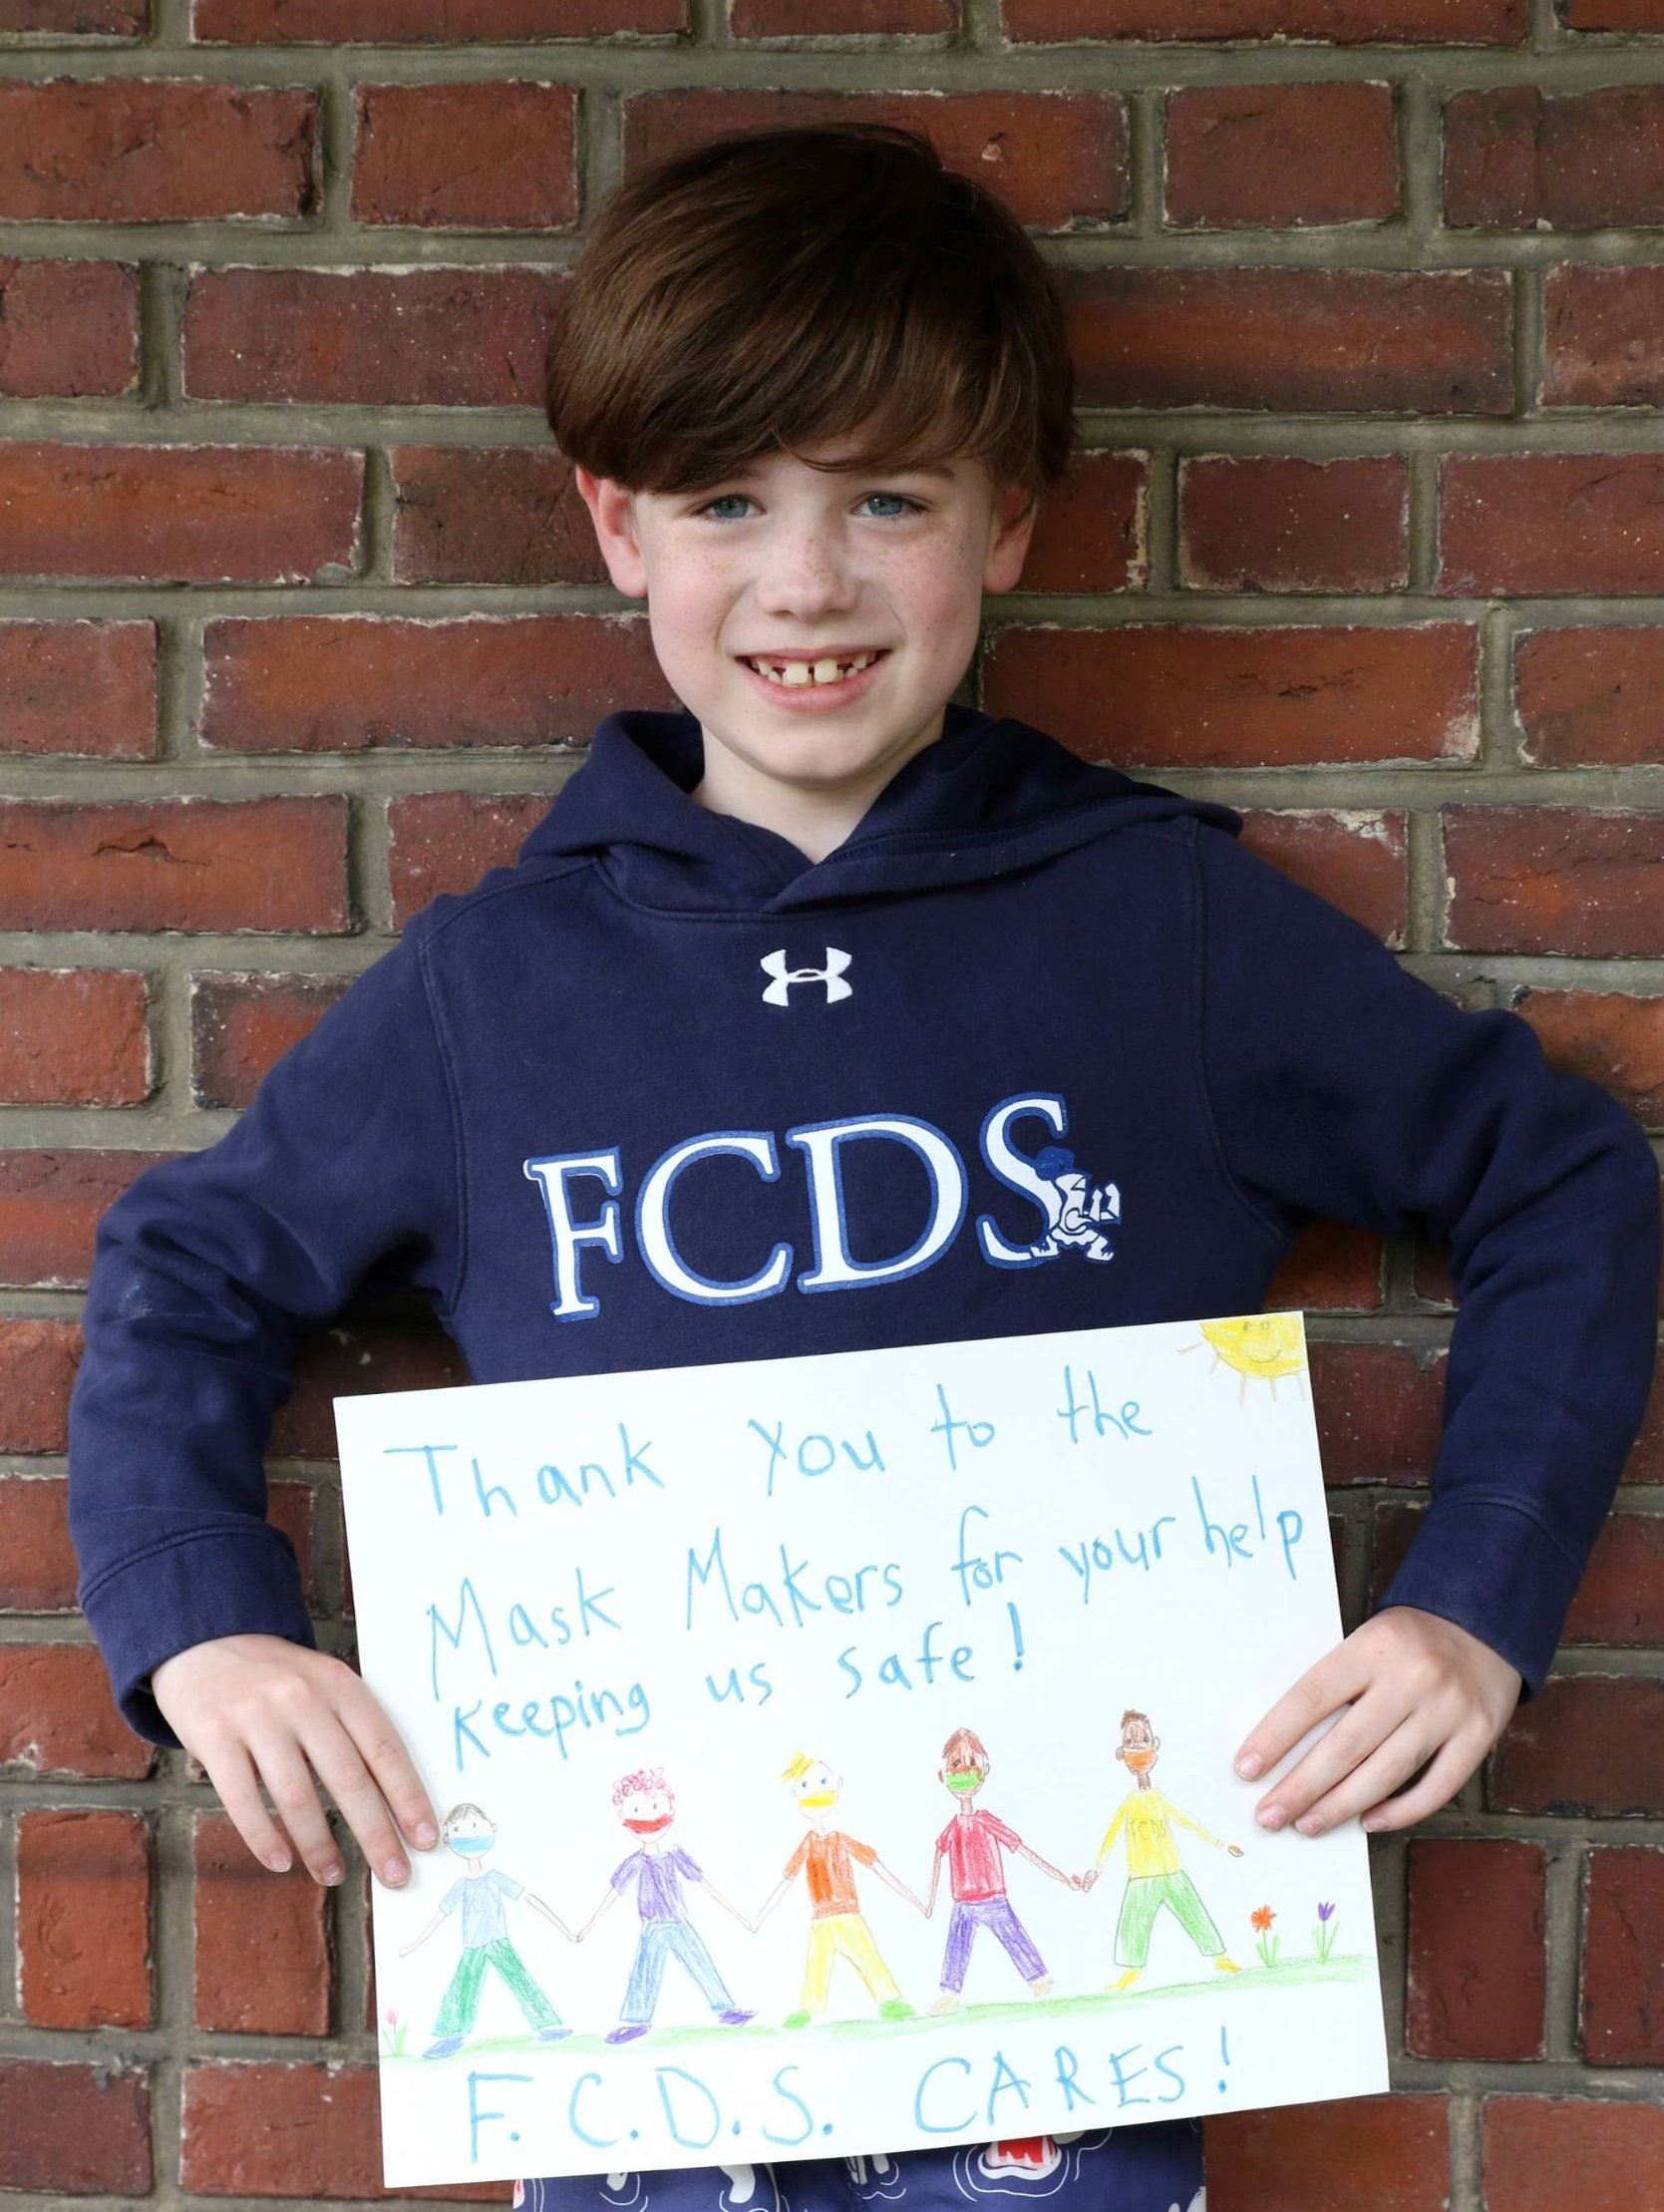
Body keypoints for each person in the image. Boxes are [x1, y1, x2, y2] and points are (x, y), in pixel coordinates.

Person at [67, 119, 1660, 2212]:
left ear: (1006, 524)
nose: (805, 581)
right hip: (635, 2071)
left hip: (1075, 2049)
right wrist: (202, 1623)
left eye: (885, 499)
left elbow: (1559, 1178)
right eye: (727, 499)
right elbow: (185, 1271)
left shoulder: (1158, 934)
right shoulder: (493, 995)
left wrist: (1472, 1600)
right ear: (617, 523)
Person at [575, 1766, 756, 2042]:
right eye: (637, 1810)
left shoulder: (676, 1855)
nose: (647, 1818)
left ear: (669, 1809)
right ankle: (636, 2021)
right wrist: (587, 1928)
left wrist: (740, 1916)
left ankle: (726, 2009)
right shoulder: (634, 1862)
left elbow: (705, 1885)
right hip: (653, 1926)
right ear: (624, 1816)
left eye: (655, 1807)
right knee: (644, 1971)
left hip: (678, 1921)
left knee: (700, 1962)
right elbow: (612, 1894)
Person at [752, 1754, 921, 2028]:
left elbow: (876, 1866)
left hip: (848, 1914)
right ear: (796, 1795)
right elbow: (786, 1880)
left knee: (868, 1957)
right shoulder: (807, 1844)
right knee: (817, 1966)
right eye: (806, 1786)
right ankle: (808, 2009)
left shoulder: (842, 1840)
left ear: (837, 1784)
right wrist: (760, 1916)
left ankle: (889, 2000)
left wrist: (911, 1897)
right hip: (821, 1919)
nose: (815, 1792)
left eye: (822, 1782)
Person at [1083, 1710, 1245, 1994]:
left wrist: (1221, 1844)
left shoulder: (1159, 1799)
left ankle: (1220, 1958)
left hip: (1171, 1871)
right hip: (1141, 1877)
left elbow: (1189, 1822)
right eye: (1130, 1742)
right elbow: (1111, 1835)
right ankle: (1131, 1973)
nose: (1138, 1747)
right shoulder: (1129, 1803)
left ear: (1155, 1745)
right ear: (1120, 1753)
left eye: (1144, 1740)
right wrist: (1096, 1868)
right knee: (1133, 1925)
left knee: (1194, 1912)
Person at [398, 1803, 572, 2058]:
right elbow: (440, 1916)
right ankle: (451, 2037)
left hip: (499, 1941)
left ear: (492, 1828)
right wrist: (413, 1944)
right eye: (458, 1830)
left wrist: (563, 1927)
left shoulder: (495, 1878)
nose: (468, 1835)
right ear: (448, 1840)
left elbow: (528, 1898)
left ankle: (547, 2027)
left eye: (475, 1827)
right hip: (473, 1946)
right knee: (462, 1988)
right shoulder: (461, 1885)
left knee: (521, 1980)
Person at [923, 1725, 1077, 2012]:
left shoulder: (986, 1820)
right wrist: (929, 1901)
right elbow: (937, 1854)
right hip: (963, 1902)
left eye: (971, 1762)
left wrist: (1062, 1877)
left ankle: (1039, 1980)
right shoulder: (952, 1827)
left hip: (993, 1897)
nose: (964, 1769)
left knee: (1013, 1936)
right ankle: (950, 1992)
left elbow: (1023, 1850)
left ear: (983, 1772)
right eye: (956, 1764)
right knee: (957, 1946)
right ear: (943, 1775)